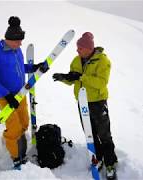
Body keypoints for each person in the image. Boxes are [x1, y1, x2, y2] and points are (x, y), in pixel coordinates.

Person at [0, 16, 48, 169]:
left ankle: (19, 146)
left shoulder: (16, 50)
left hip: (20, 94)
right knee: (14, 128)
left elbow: (20, 67)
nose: (21, 44)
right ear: (10, 39)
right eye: (18, 41)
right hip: (6, 97)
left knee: (24, 123)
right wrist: (6, 94)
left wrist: (33, 68)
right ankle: (16, 157)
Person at [52, 32, 118, 179]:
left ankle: (110, 164)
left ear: (89, 49)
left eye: (80, 48)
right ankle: (98, 158)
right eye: (77, 48)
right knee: (90, 133)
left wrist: (81, 77)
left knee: (104, 134)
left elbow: (101, 83)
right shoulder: (77, 60)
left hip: (98, 102)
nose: (77, 51)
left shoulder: (102, 61)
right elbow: (73, 79)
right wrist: (64, 77)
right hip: (82, 102)